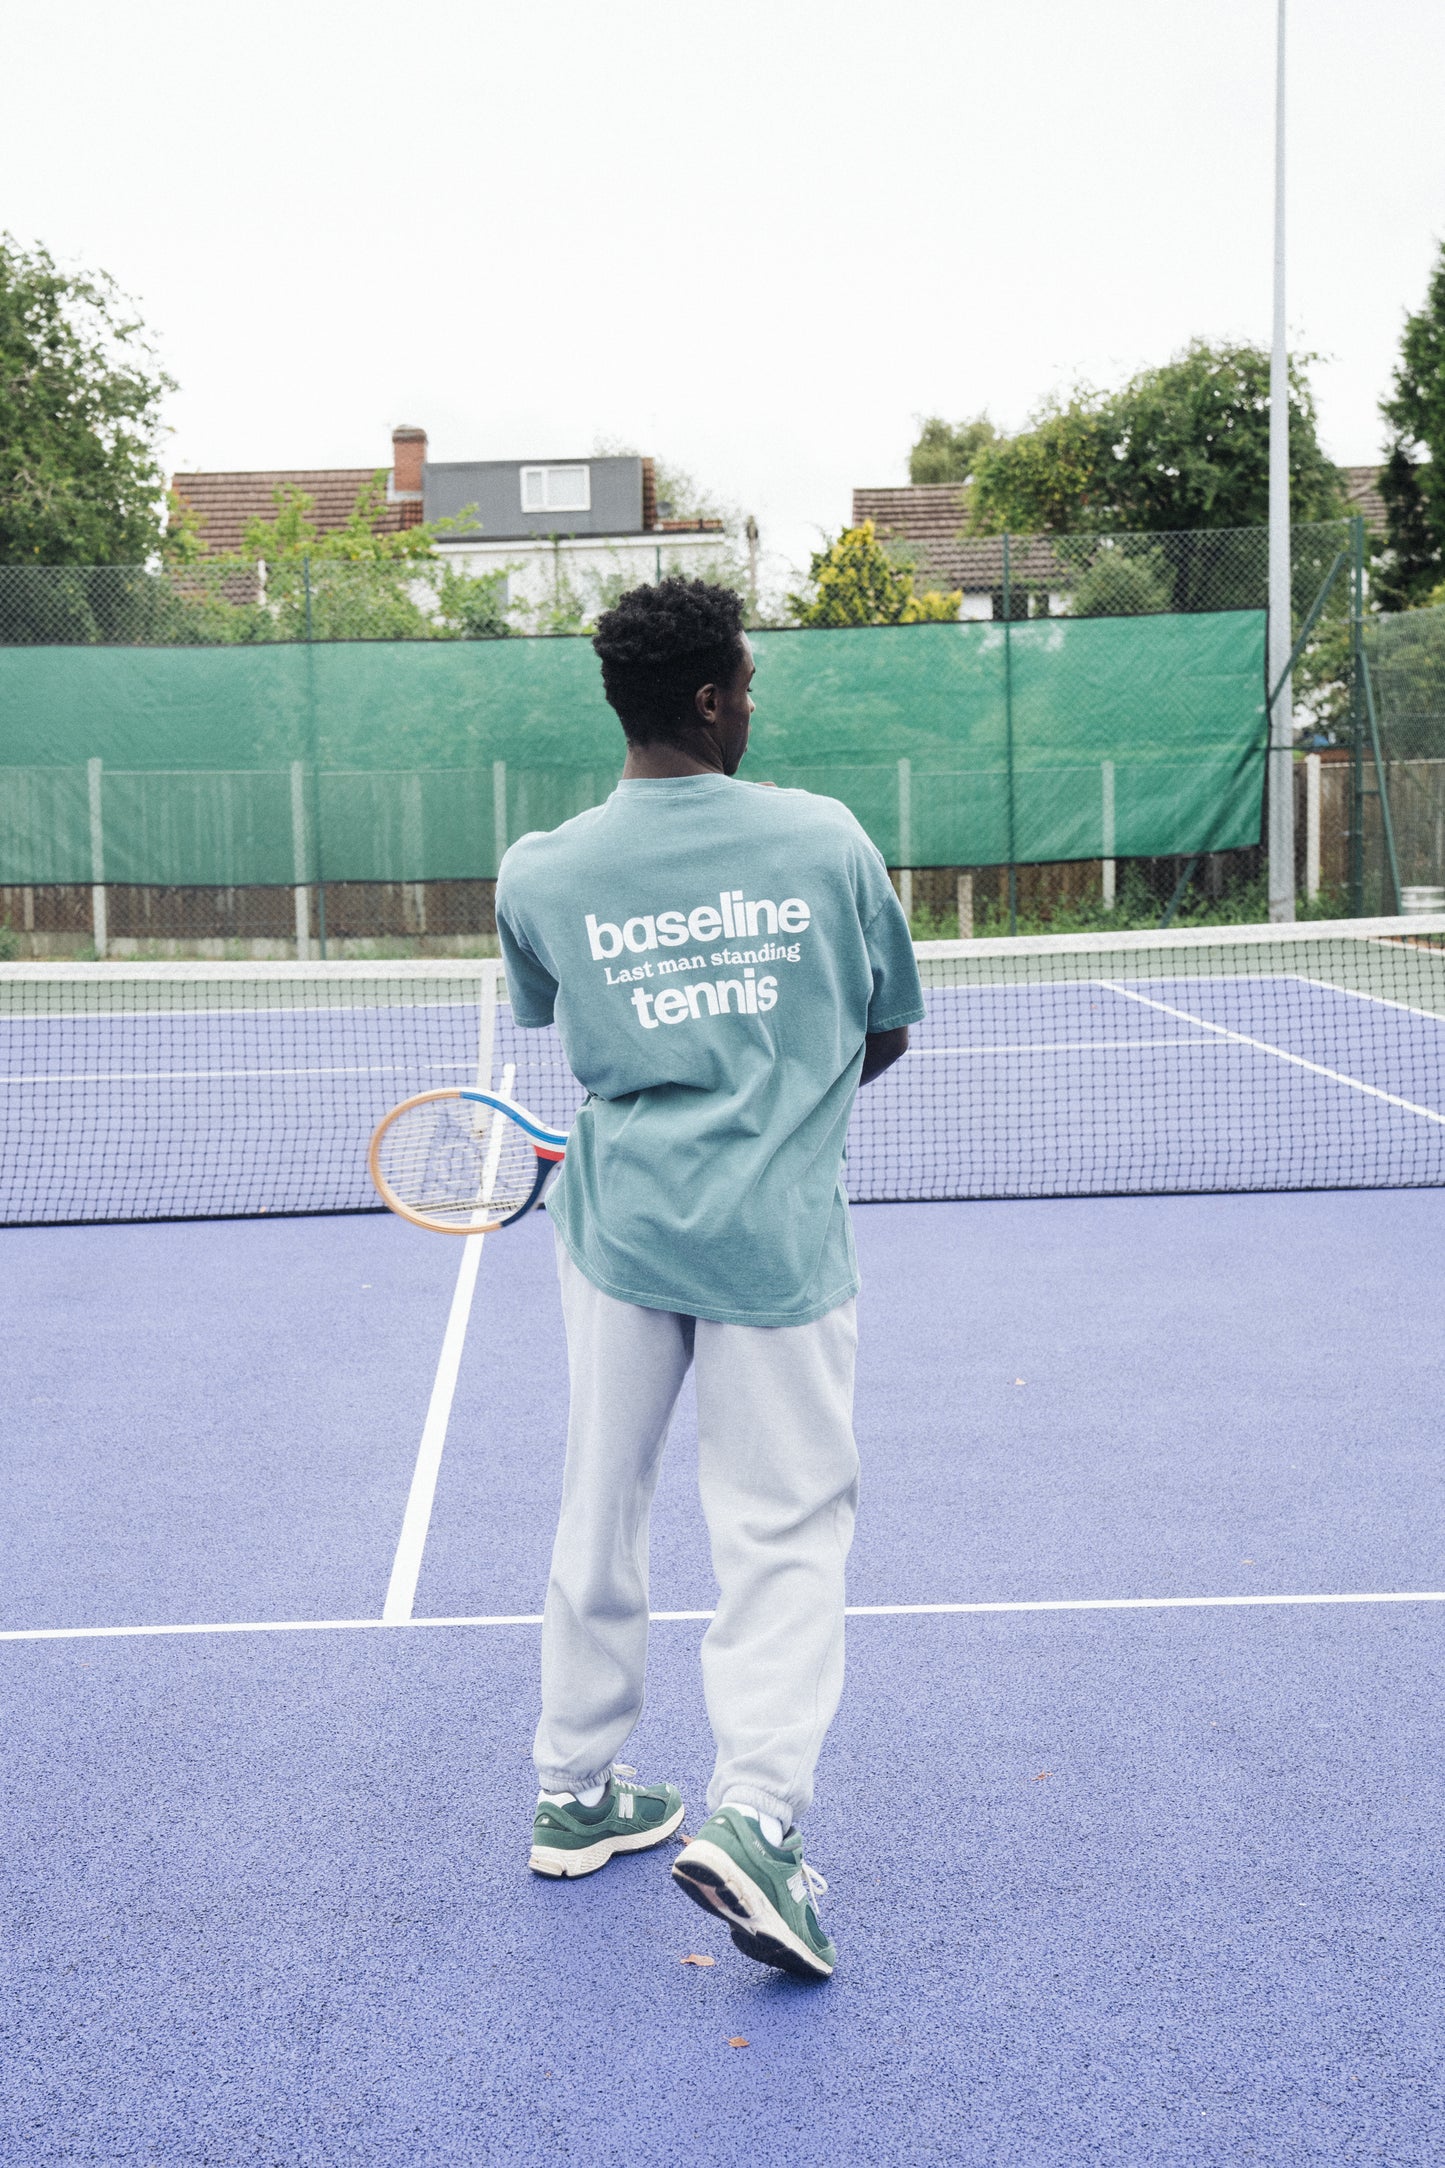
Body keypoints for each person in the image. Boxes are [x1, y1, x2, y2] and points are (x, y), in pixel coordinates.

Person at [494, 576, 922, 1981]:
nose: (753, 704)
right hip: (777, 1248)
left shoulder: (540, 870)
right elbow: (882, 1035)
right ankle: (753, 1824)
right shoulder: (824, 840)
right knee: (784, 1535)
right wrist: (772, 1088)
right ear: (704, 697)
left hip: (616, 1239)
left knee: (594, 1505)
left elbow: (578, 1032)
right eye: (744, 683)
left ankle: (575, 1786)